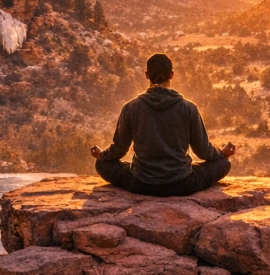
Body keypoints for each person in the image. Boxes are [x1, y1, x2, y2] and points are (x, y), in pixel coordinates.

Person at [91, 52, 236, 196]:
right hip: (183, 183)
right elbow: (203, 151)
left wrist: (102, 155)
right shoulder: (189, 108)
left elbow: (119, 149)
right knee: (224, 163)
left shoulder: (131, 108)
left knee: (102, 164)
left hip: (141, 183)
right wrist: (222, 154)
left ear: (147, 75)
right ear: (172, 74)